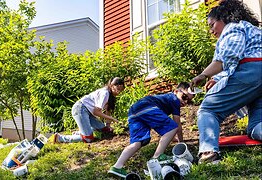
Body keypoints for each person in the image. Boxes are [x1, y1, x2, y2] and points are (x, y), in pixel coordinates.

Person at [190, 0, 262, 164]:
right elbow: (235, 63)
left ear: (224, 18)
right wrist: (217, 78)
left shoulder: (233, 27)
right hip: (255, 73)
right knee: (256, 125)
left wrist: (202, 75)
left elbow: (227, 58)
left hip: (251, 72)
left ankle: (209, 154)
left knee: (209, 110)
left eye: (212, 25)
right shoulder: (254, 30)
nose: (211, 31)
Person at [108, 82, 195, 178]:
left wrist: (171, 137)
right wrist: (181, 142)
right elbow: (177, 124)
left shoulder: (167, 99)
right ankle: (157, 156)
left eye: (189, 101)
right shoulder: (174, 99)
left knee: (138, 141)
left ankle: (117, 167)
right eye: (184, 97)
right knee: (173, 127)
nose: (185, 102)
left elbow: (163, 125)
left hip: (134, 111)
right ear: (175, 91)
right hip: (146, 106)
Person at [53, 77, 125, 143]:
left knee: (105, 130)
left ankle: (80, 133)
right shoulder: (105, 93)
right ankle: (60, 138)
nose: (118, 92)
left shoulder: (110, 96)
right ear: (112, 85)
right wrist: (112, 119)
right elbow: (96, 112)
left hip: (88, 112)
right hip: (80, 109)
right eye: (117, 89)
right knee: (88, 139)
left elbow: (108, 111)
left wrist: (108, 125)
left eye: (120, 91)